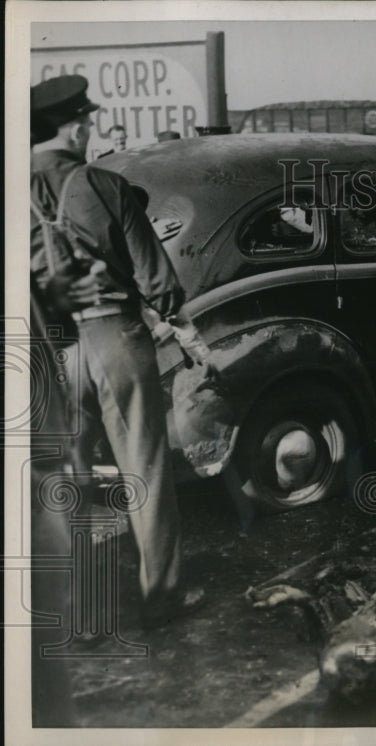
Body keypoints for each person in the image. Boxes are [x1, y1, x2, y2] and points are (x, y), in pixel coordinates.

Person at [30, 74, 209, 628]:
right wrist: (184, 329)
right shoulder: (100, 183)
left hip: (52, 348)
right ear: (77, 124)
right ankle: (162, 595)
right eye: (87, 121)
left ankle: (80, 609)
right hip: (114, 336)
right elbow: (158, 280)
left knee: (72, 478)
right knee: (145, 467)